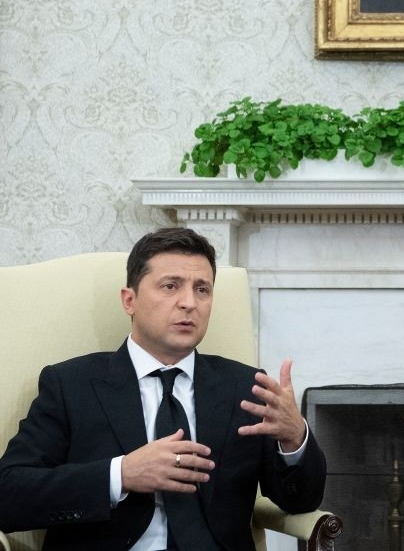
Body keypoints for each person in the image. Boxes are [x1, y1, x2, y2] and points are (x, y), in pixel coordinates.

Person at [0, 228, 326, 550]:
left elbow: (300, 501)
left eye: (202, 290)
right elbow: (9, 494)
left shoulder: (247, 387)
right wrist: (121, 474)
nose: (189, 303)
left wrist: (294, 439)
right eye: (170, 286)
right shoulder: (71, 385)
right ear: (130, 300)